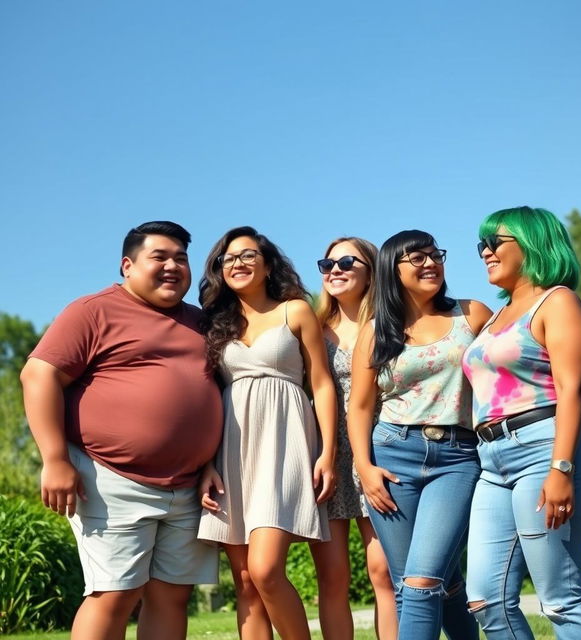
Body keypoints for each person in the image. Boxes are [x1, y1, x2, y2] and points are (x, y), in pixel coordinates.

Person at [20, 221, 223, 640]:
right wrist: (54, 459)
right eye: (159, 257)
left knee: (171, 596)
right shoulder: (93, 311)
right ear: (127, 266)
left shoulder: (202, 323)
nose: (172, 266)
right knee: (114, 594)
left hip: (187, 488)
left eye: (180, 258)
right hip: (110, 478)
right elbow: (38, 376)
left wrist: (210, 462)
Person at [462, 206, 581, 639]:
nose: (486, 252)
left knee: (560, 598)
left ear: (532, 244)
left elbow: (569, 389)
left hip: (546, 450)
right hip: (493, 460)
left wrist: (561, 468)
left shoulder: (557, 300)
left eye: (495, 243)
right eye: (481, 245)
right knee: (484, 599)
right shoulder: (494, 316)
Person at [348, 229, 492, 640]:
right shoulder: (376, 330)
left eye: (435, 255)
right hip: (393, 456)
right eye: (418, 257)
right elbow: (359, 406)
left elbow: (518, 356)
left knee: (422, 582)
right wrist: (365, 468)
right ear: (392, 270)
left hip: (458, 457)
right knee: (430, 584)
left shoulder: (472, 314)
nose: (431, 263)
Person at [197, 226, 337, 640]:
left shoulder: (294, 310)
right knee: (245, 582)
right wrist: (205, 461)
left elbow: (323, 383)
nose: (237, 263)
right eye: (228, 258)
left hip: (285, 442)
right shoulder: (216, 325)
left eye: (247, 255)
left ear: (268, 263)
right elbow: (205, 396)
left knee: (265, 570)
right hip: (232, 451)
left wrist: (327, 452)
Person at [312, 237, 398, 640]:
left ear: (372, 269)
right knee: (332, 577)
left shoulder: (393, 323)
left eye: (347, 261)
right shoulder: (309, 327)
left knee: (384, 570)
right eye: (326, 264)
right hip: (325, 456)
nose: (335, 270)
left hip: (377, 450)